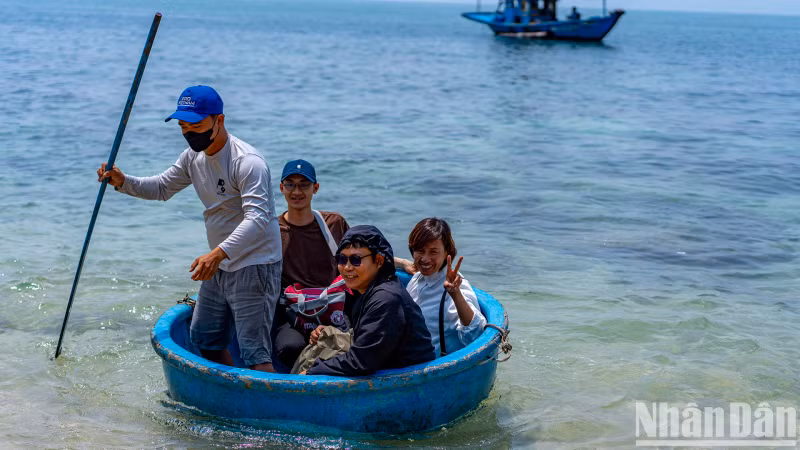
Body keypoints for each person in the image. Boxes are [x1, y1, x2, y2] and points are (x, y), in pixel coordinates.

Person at [97, 85, 282, 372]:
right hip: (219, 262)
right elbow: (161, 187)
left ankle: (271, 413)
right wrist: (122, 181)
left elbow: (257, 220)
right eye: (183, 126)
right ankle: (226, 398)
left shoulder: (247, 162)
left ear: (218, 120)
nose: (189, 132)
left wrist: (218, 254)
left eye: (196, 125)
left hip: (254, 263)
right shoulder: (192, 157)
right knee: (205, 338)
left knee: (255, 353)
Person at [301, 225, 435, 376]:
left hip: (409, 378)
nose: (347, 267)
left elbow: (361, 361)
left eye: (356, 260)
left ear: (378, 261)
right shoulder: (362, 289)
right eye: (342, 259)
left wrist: (311, 372)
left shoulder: (386, 299)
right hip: (383, 362)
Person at [273, 159, 349, 369]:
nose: (297, 191)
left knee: (354, 340)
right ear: (281, 188)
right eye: (290, 184)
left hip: (334, 308)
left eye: (304, 185)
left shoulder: (334, 223)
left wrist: (401, 263)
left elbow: (361, 256)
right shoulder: (272, 231)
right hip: (293, 313)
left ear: (315, 188)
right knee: (288, 348)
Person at [405, 218, 486, 357]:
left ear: (447, 252)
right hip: (409, 362)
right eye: (420, 251)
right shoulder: (417, 278)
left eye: (433, 252)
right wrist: (402, 263)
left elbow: (476, 335)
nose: (425, 259)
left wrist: (455, 294)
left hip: (436, 370)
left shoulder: (455, 286)